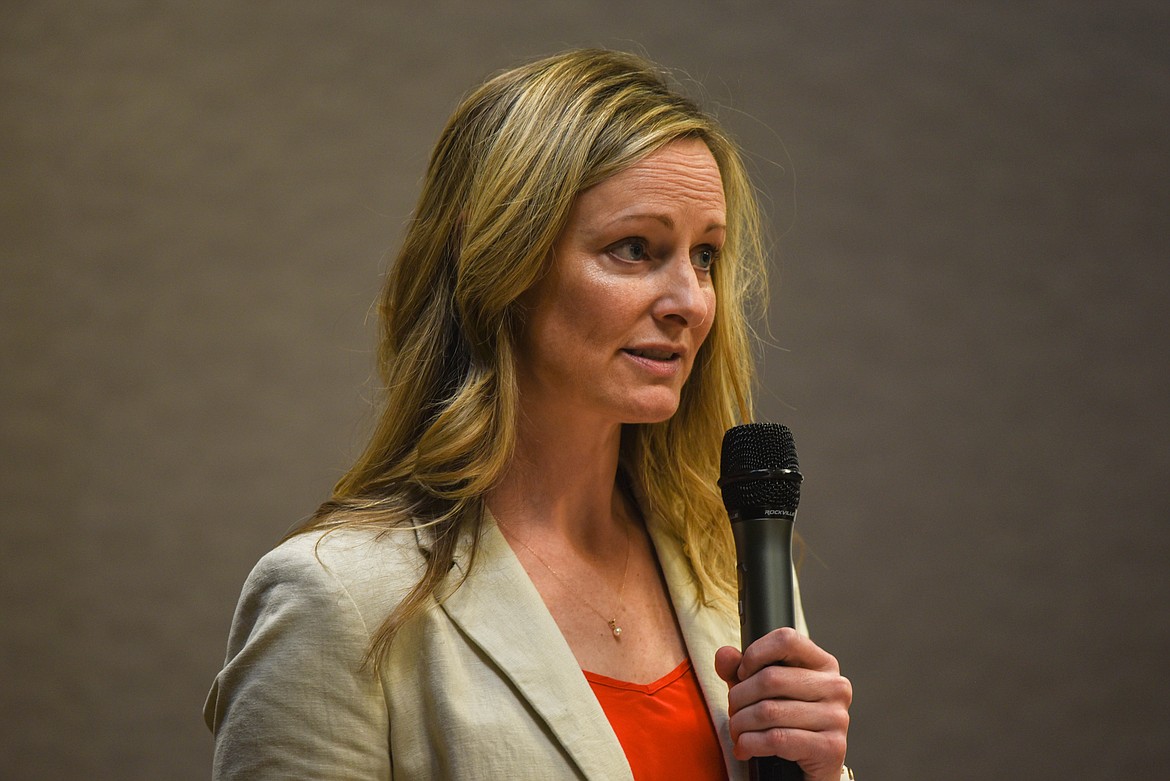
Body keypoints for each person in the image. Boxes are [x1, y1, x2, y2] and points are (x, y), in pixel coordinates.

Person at [204, 48, 852, 781]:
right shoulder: (338, 601)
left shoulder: (730, 574)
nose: (691, 302)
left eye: (705, 255)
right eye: (635, 249)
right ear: (504, 267)